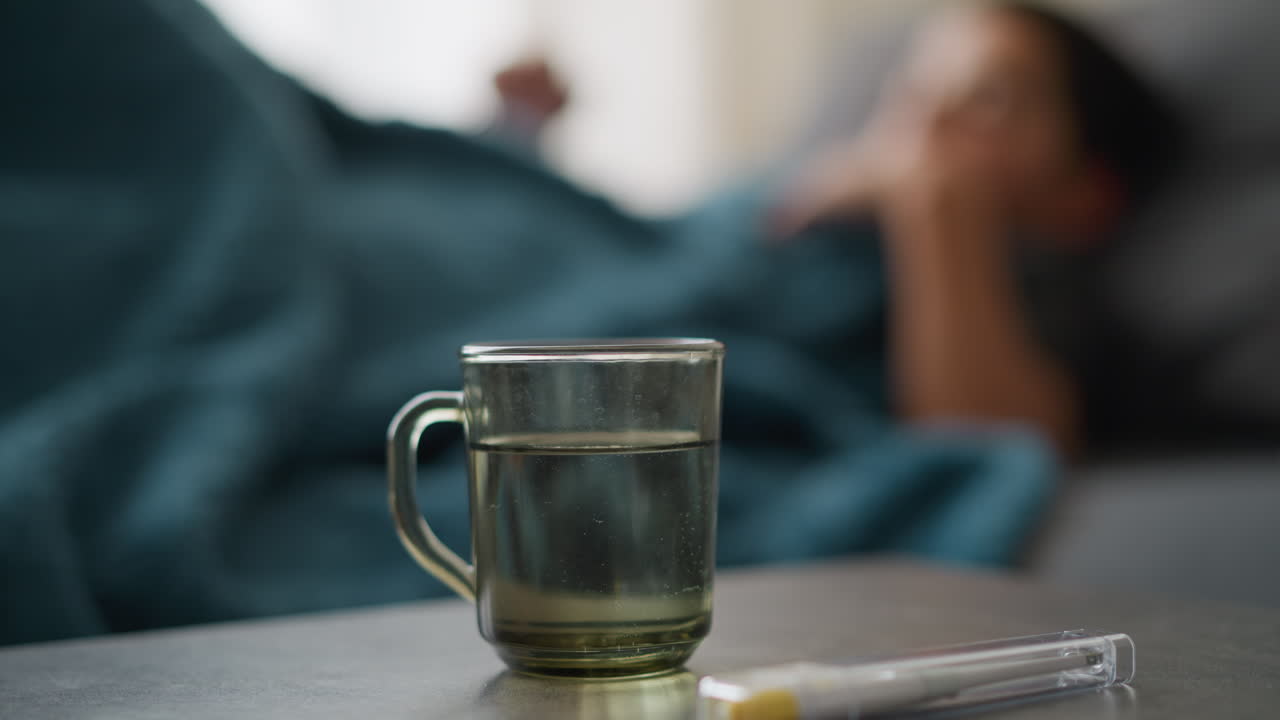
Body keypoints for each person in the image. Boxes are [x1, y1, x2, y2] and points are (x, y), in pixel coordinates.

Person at [0, 0, 1174, 645]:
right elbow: (618, 269)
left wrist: (933, 206)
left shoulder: (1017, 284)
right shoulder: (781, 206)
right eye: (919, 84)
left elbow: (990, 430)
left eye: (988, 99)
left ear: (1082, 193)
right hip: (509, 253)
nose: (922, 118)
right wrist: (516, 155)